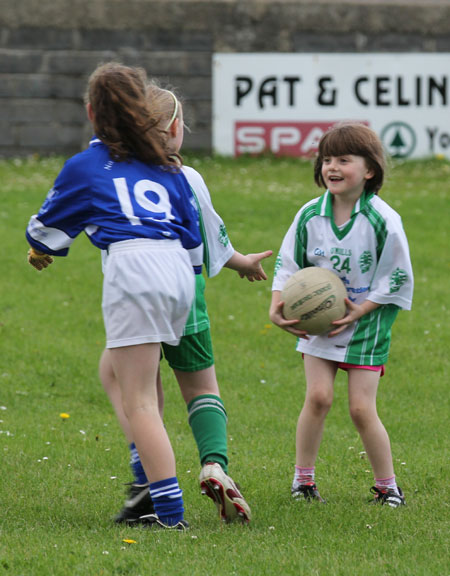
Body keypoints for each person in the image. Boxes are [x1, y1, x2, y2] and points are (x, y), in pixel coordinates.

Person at [26, 62, 205, 530]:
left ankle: (166, 512)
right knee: (113, 369)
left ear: (90, 113)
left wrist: (39, 251)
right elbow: (191, 231)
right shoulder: (166, 164)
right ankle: (144, 477)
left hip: (135, 268)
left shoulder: (87, 163)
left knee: (140, 400)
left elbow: (46, 229)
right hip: (179, 270)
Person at [101, 82, 272, 525]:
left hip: (136, 291)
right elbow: (213, 241)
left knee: (124, 379)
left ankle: (148, 480)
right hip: (186, 290)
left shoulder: (114, 174)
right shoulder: (188, 178)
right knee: (199, 387)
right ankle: (215, 463)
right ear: (176, 129)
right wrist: (242, 263)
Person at [269, 123, 413, 508]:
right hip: (318, 322)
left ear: (369, 170)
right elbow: (288, 265)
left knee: (361, 408)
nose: (332, 167)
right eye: (326, 159)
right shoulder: (309, 216)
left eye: (344, 160)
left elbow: (397, 277)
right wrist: (277, 304)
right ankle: (303, 481)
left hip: (366, 324)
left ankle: (388, 487)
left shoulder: (383, 220)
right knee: (317, 397)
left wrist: (360, 310)